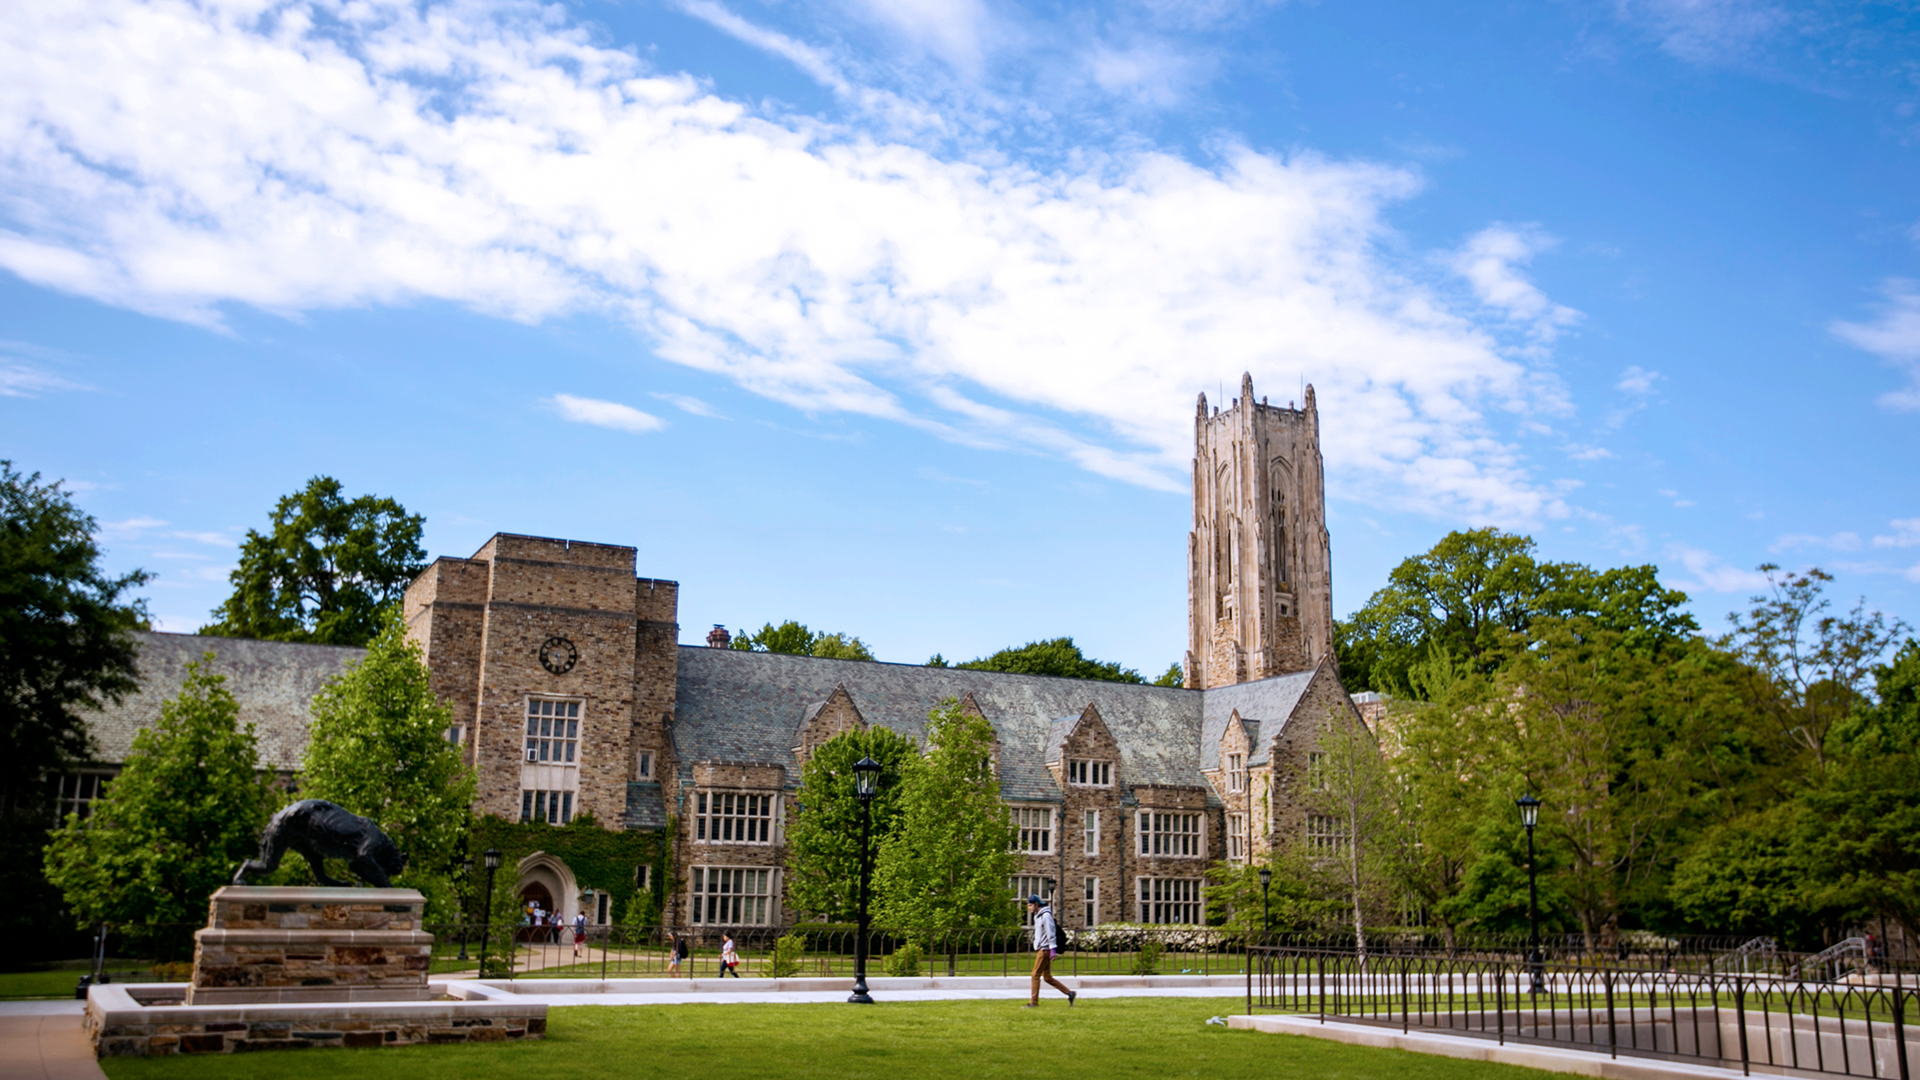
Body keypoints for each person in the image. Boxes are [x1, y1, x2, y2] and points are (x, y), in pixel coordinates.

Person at [1023, 895, 1075, 1008]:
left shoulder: (1046, 916)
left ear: (1037, 905)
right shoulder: (1038, 916)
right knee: (1047, 977)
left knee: (1035, 975)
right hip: (1041, 948)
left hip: (1045, 949)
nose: (1029, 908)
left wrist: (1052, 949)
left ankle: (1033, 1002)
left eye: (1030, 905)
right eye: (1028, 905)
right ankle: (1069, 993)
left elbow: (1050, 933)